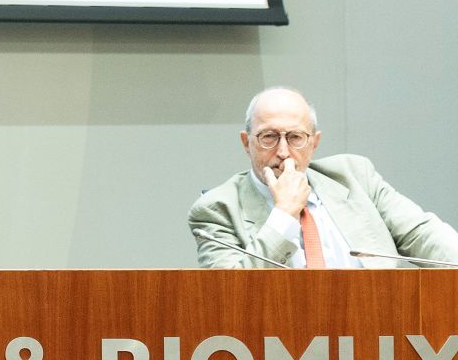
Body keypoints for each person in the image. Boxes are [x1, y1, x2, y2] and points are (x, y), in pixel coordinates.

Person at [188, 87, 458, 269]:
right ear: (247, 143)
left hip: (379, 324)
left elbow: (422, 234)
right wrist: (284, 214)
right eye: (268, 137)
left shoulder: (354, 176)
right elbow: (229, 296)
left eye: (295, 137)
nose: (283, 152)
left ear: (314, 143)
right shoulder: (217, 209)